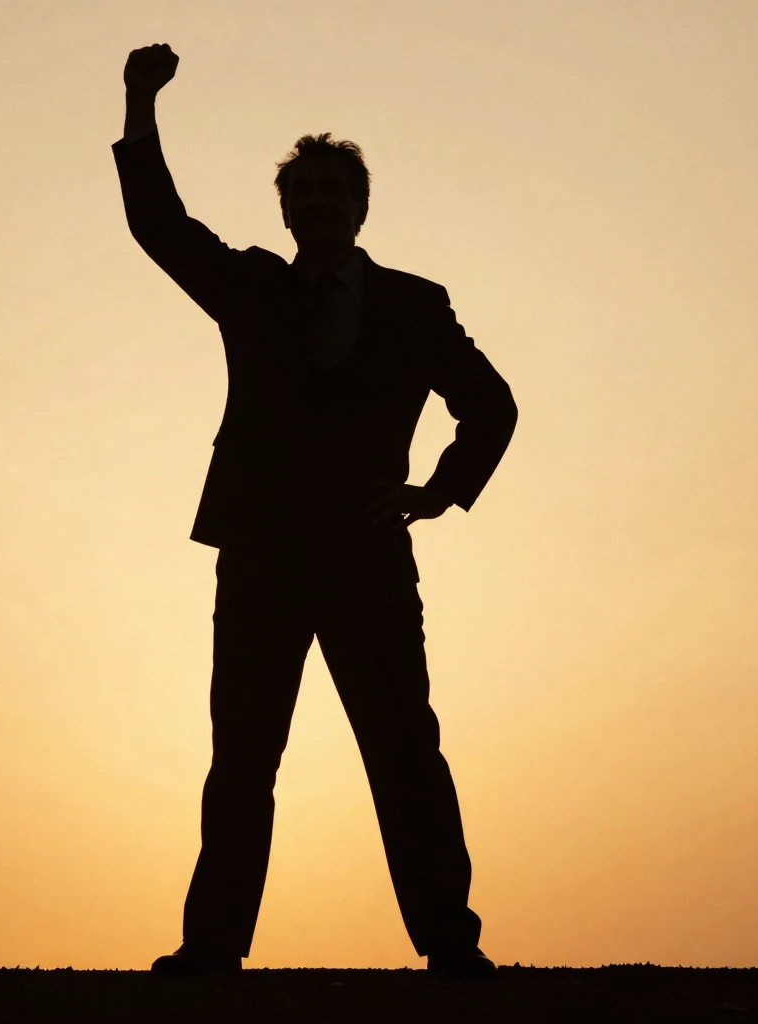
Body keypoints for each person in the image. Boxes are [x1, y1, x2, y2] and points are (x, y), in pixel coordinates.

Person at [112, 44, 518, 981]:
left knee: (405, 750)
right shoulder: (251, 288)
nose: (320, 204)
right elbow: (161, 224)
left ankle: (452, 943)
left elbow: (489, 405)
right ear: (286, 211)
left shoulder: (417, 306)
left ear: (360, 206)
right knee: (243, 759)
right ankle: (213, 947)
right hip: (260, 556)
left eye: (336, 190)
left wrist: (438, 493)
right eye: (305, 193)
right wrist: (139, 103)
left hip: (370, 559)